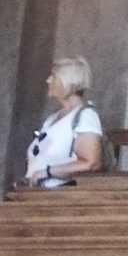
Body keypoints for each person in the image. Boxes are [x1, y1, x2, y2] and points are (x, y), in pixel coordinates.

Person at [24, 56, 106, 188]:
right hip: (40, 192)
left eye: (53, 76)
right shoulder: (53, 118)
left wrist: (48, 172)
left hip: (62, 194)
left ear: (68, 82)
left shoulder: (85, 116)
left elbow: (91, 163)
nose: (48, 80)